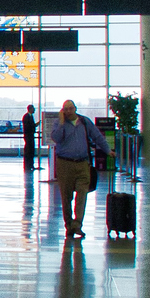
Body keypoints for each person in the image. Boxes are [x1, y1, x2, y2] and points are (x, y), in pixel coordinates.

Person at [47, 99, 108, 238]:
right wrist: (62, 123)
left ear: (75, 108)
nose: (68, 111)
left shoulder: (84, 122)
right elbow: (56, 138)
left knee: (82, 194)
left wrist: (107, 150)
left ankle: (77, 224)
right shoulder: (59, 123)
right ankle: (69, 225)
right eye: (65, 109)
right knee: (66, 196)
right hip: (65, 163)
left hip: (82, 164)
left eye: (70, 108)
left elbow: (97, 136)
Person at [22, 103, 38, 170]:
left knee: (31, 150)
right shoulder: (26, 116)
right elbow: (28, 126)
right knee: (28, 151)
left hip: (31, 136)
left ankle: (31, 165)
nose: (34, 110)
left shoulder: (31, 116)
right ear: (30, 109)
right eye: (33, 108)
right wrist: (34, 125)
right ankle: (27, 165)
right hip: (28, 136)